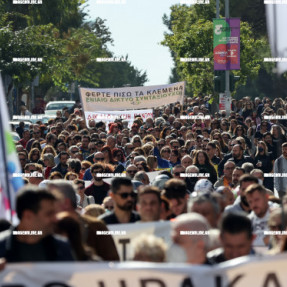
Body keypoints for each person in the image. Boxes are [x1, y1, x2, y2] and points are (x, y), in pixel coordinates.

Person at [47, 180, 119, 261]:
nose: (45, 204)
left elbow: (112, 262)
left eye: (50, 200)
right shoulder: (46, 229)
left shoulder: (96, 227)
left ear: (66, 203)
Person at [0, 186, 74, 262]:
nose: (56, 219)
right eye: (49, 214)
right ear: (28, 216)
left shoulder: (63, 248)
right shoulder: (1, 247)